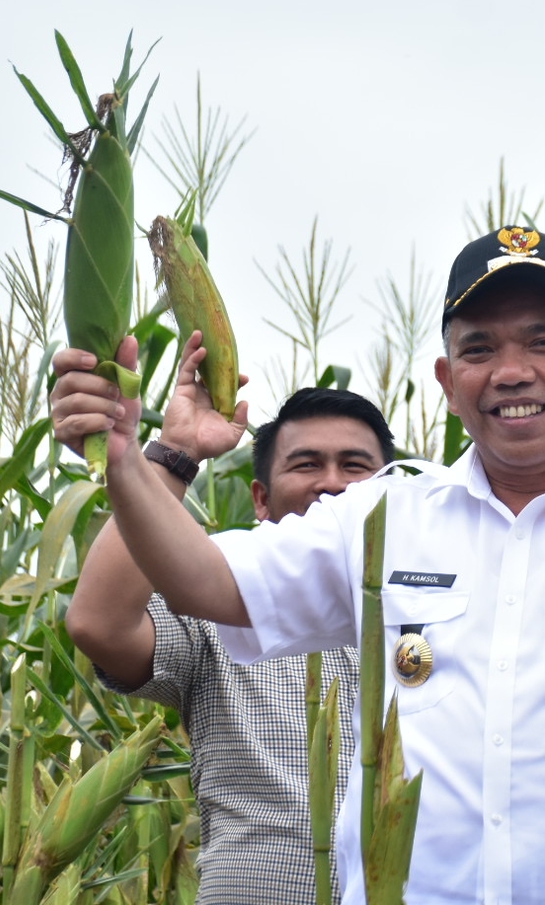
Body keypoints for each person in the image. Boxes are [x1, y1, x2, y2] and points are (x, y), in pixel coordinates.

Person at [50, 225, 545, 904]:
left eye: (544, 343)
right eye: (480, 350)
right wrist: (124, 455)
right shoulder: (384, 515)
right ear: (449, 383)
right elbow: (203, 579)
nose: (512, 372)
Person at [62, 373, 393, 905]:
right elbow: (100, 624)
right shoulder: (212, 601)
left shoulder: (430, 605)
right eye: (307, 464)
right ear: (260, 499)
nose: (332, 483)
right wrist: (174, 454)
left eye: (354, 466)